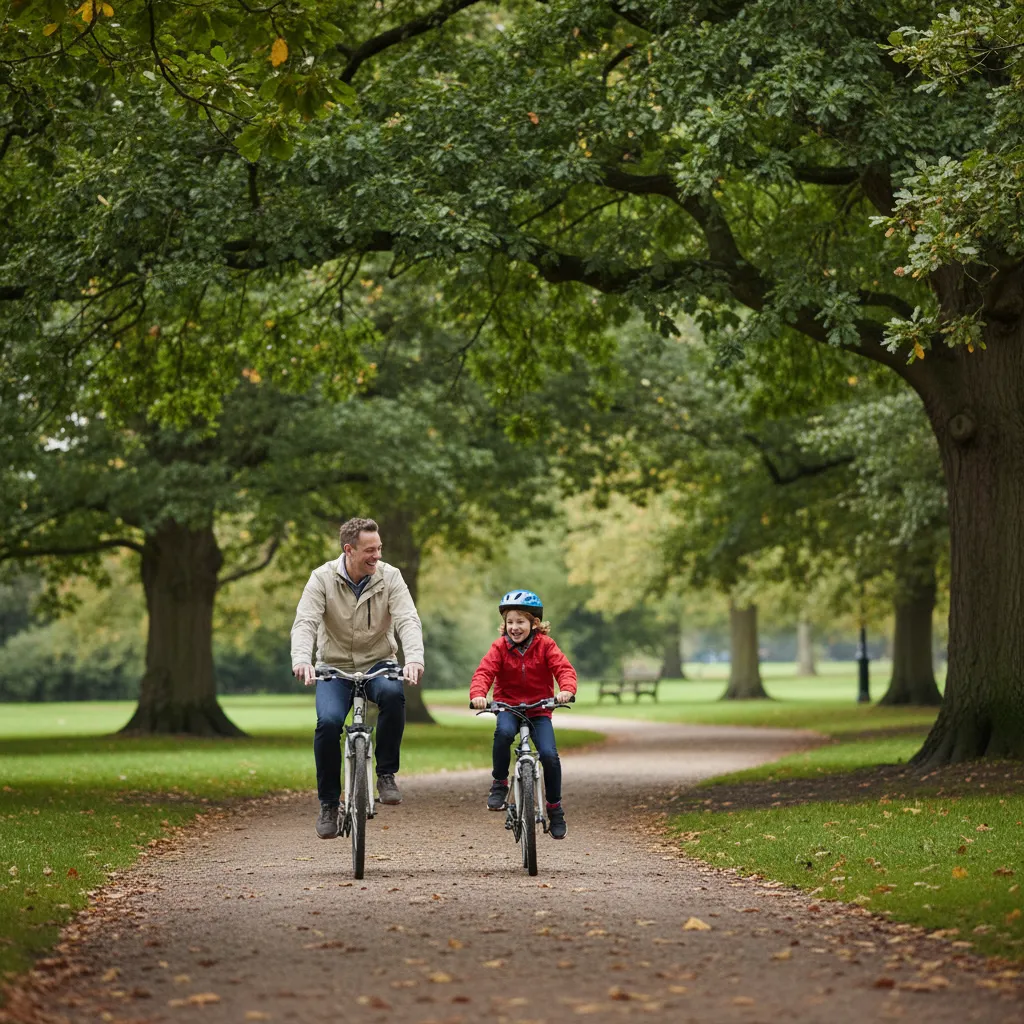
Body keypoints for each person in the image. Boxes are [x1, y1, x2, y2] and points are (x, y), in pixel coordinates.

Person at [291, 517, 425, 839]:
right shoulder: (321, 579)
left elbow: (407, 619)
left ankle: (386, 774)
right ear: (348, 550)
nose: (377, 555)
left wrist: (414, 659)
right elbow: (305, 622)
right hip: (334, 667)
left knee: (394, 696)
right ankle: (328, 804)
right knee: (328, 723)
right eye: (369, 550)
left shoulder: (390, 577)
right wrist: (302, 660)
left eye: (379, 548)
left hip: (378, 662)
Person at [469, 589, 576, 840]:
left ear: (534, 623)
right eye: (510, 622)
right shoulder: (499, 647)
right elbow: (484, 672)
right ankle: (499, 783)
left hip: (540, 709)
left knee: (549, 755)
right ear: (504, 625)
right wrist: (478, 694)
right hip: (508, 707)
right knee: (504, 733)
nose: (514, 627)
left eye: (520, 622)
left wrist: (567, 690)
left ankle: (555, 808)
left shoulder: (546, 645)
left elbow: (564, 669)